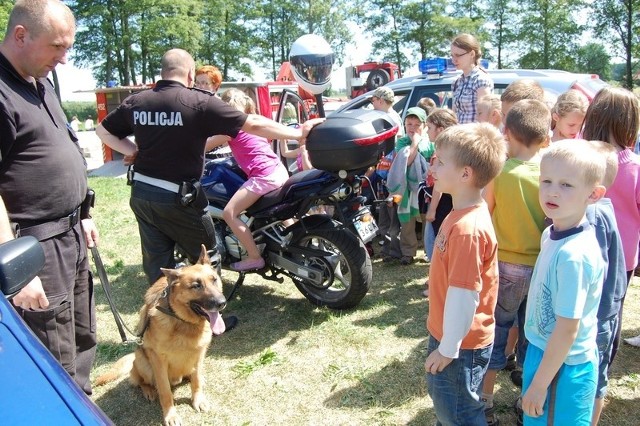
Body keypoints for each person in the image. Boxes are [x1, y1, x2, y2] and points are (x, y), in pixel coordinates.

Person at [96, 49, 320, 291]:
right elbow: (253, 122)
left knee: (157, 261)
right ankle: (214, 318)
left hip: (143, 194)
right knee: (205, 258)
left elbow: (103, 131)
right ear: (191, 74)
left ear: (162, 72)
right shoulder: (198, 101)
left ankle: (167, 314)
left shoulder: (137, 101)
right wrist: (298, 133)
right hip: (179, 198)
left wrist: (133, 151)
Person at [0, 0, 98, 395]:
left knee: (81, 334)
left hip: (71, 235)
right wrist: (15, 267)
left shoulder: (39, 82)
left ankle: (84, 408)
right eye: (57, 46)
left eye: (68, 47)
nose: (63, 59)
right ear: (21, 35)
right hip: (35, 247)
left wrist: (83, 213)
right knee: (52, 350)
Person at [424, 123, 506, 425]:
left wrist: (448, 349)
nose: (434, 165)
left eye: (441, 161)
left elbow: (464, 294)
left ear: (465, 174)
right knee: (448, 401)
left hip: (460, 344)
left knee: (458, 411)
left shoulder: (467, 230)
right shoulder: (461, 212)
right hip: (452, 335)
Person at [521, 140, 606, 425]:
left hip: (564, 367)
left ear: (593, 194)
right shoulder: (551, 234)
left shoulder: (574, 255)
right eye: (546, 180)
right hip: (543, 351)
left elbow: (568, 329)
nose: (552, 191)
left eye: (567, 185)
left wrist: (539, 384)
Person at [480, 99, 551, 425]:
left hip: (505, 266)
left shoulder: (499, 173)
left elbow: (485, 213)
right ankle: (525, 403)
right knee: (532, 336)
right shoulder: (551, 177)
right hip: (541, 268)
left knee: (497, 332)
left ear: (506, 132)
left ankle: (486, 400)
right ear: (545, 136)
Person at [581, 88, 640, 358]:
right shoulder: (635, 168)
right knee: (610, 315)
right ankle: (600, 369)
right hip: (621, 260)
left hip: (577, 251)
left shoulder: (576, 160)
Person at [207, 88, 292, 271]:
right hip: (279, 171)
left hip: (264, 176)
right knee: (281, 212)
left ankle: (254, 257)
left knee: (229, 213)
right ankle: (293, 239)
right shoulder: (253, 124)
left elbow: (206, 146)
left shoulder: (231, 128)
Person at [582, 141, 626, 425]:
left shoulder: (594, 217)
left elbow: (592, 275)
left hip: (598, 314)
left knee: (595, 376)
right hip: (602, 310)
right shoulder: (601, 208)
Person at [384, 107, 432, 265]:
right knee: (407, 221)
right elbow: (407, 161)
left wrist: (419, 143)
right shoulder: (402, 142)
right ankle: (408, 252)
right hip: (405, 191)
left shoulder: (430, 143)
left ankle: (428, 251)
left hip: (425, 190)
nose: (413, 128)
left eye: (417, 124)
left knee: (428, 220)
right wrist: (415, 143)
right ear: (404, 125)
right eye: (409, 124)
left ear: (425, 126)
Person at [422, 108, 457, 297]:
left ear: (441, 129)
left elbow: (439, 185)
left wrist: (432, 209)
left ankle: (438, 285)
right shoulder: (454, 149)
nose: (427, 131)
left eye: (429, 127)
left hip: (444, 204)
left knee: (439, 245)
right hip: (450, 203)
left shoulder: (444, 152)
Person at [450, 33, 494, 124]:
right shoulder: (457, 82)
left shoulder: (481, 80)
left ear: (472, 54)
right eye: (452, 55)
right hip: (458, 136)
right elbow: (454, 115)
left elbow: (485, 117)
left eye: (458, 55)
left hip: (475, 136)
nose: (454, 60)